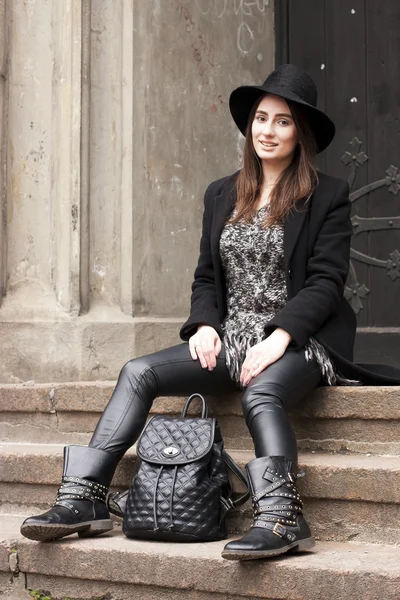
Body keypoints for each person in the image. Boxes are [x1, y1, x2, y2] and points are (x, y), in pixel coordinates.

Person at [20, 64, 400, 560]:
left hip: (301, 341)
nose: (268, 130)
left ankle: (283, 518)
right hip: (232, 336)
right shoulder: (222, 192)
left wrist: (279, 337)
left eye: (282, 121)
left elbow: (327, 283)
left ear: (300, 131)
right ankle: (84, 499)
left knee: (261, 392)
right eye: (261, 118)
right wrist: (203, 324)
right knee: (138, 372)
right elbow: (206, 276)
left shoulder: (326, 194)